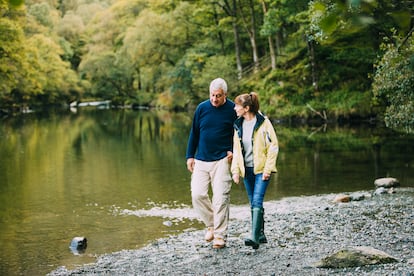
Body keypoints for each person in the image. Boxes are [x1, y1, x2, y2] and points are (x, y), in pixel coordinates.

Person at [186, 78, 237, 249]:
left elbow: (239, 133)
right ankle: (211, 225)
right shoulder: (202, 108)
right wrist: (189, 156)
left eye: (218, 96)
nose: (214, 99)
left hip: (222, 159)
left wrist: (233, 150)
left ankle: (220, 236)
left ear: (225, 95)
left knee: (221, 198)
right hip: (201, 159)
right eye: (212, 95)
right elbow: (194, 132)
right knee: (197, 194)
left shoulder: (232, 109)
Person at [231, 92, 279, 249]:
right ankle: (260, 234)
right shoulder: (238, 125)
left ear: (246, 108)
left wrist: (268, 168)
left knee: (257, 200)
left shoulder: (264, 123)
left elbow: (273, 146)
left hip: (261, 170)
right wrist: (235, 171)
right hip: (247, 171)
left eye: (237, 105)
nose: (235, 108)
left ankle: (254, 236)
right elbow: (236, 151)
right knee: (253, 202)